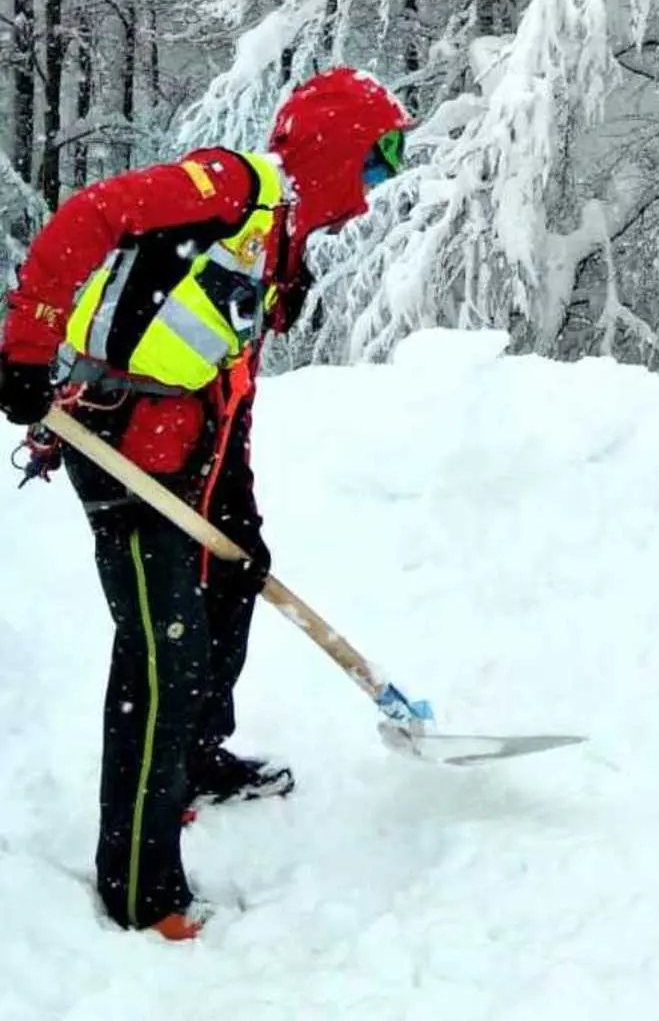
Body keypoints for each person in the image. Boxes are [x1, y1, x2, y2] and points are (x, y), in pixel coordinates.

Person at [0, 67, 412, 939]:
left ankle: (190, 763)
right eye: (371, 170)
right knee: (163, 657)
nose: (370, 200)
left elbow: (233, 382)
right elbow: (89, 217)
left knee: (228, 590)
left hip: (189, 456)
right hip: (113, 448)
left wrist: (238, 508)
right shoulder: (227, 189)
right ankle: (140, 886)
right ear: (335, 151)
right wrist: (27, 345)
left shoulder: (279, 245)